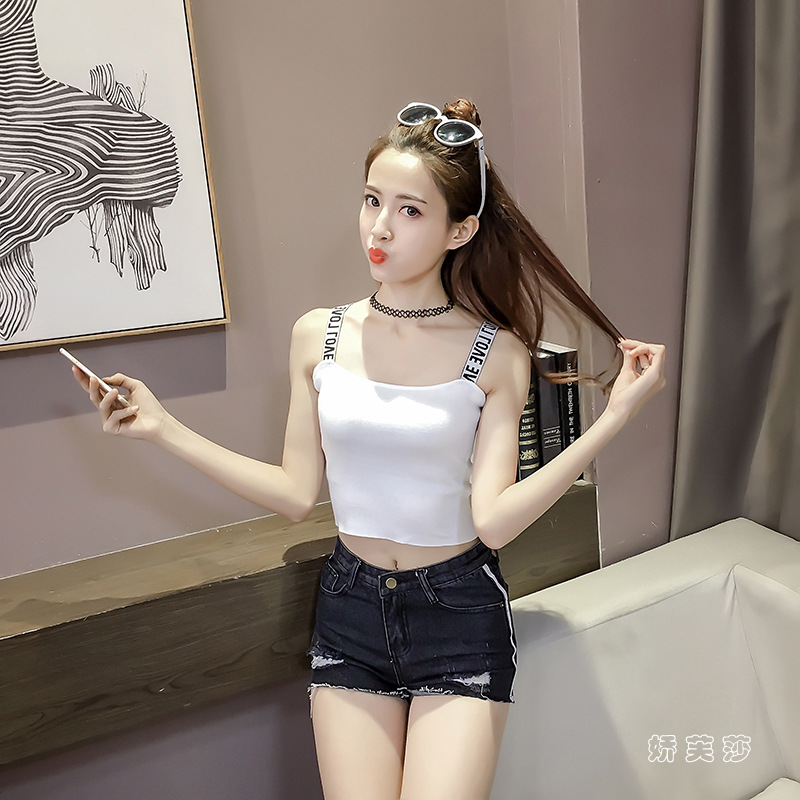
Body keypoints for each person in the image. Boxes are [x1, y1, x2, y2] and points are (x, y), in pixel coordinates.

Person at [72, 99, 666, 800]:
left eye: (410, 210)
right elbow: (296, 495)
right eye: (372, 200)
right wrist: (162, 428)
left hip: (458, 611)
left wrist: (614, 418)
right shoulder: (317, 336)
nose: (380, 227)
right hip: (349, 607)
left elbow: (496, 522)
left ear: (460, 229)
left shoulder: (496, 353)